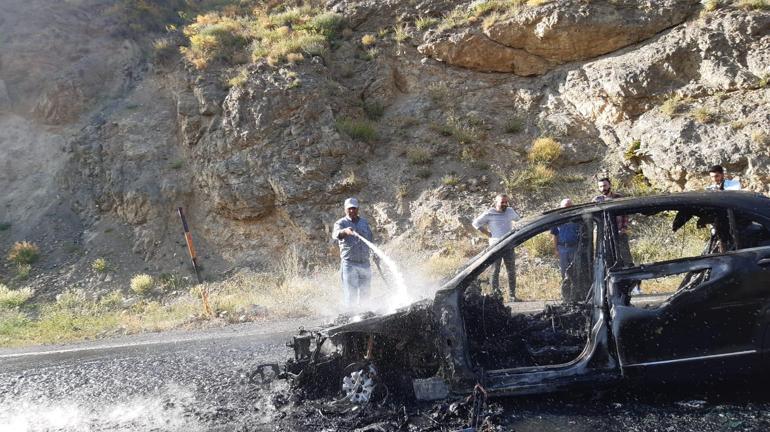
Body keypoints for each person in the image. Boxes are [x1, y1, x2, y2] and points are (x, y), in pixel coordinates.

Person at [471, 194, 521, 300]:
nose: (504, 204)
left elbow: (519, 221)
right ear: (496, 203)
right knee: (495, 271)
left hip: (509, 245)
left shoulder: (510, 211)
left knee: (511, 271)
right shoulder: (490, 213)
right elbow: (475, 223)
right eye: (502, 202)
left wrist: (515, 231)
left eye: (506, 202)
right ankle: (495, 296)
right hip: (495, 246)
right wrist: (487, 233)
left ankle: (512, 296)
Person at [332, 197, 376, 307]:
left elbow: (370, 239)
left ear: (358, 209)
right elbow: (336, 234)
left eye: (354, 208)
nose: (352, 210)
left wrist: (375, 254)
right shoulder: (341, 223)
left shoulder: (364, 223)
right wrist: (345, 231)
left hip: (365, 263)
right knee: (351, 294)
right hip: (349, 264)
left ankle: (365, 315)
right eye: (349, 208)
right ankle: (352, 317)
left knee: (365, 292)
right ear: (345, 209)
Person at [593, 177, 633, 268]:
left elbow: (625, 214)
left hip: (620, 232)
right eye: (600, 187)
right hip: (605, 235)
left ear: (609, 185)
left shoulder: (619, 197)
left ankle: (630, 275)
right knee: (608, 257)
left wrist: (624, 228)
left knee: (625, 256)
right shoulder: (596, 200)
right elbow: (594, 218)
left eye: (605, 185)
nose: (603, 188)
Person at [550, 199, 583, 302]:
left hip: (575, 248)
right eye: (565, 207)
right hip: (562, 248)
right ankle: (565, 296)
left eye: (569, 206)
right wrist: (556, 250)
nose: (567, 209)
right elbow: (555, 236)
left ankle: (576, 296)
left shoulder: (578, 218)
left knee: (576, 272)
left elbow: (582, 235)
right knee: (564, 273)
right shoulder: (557, 220)